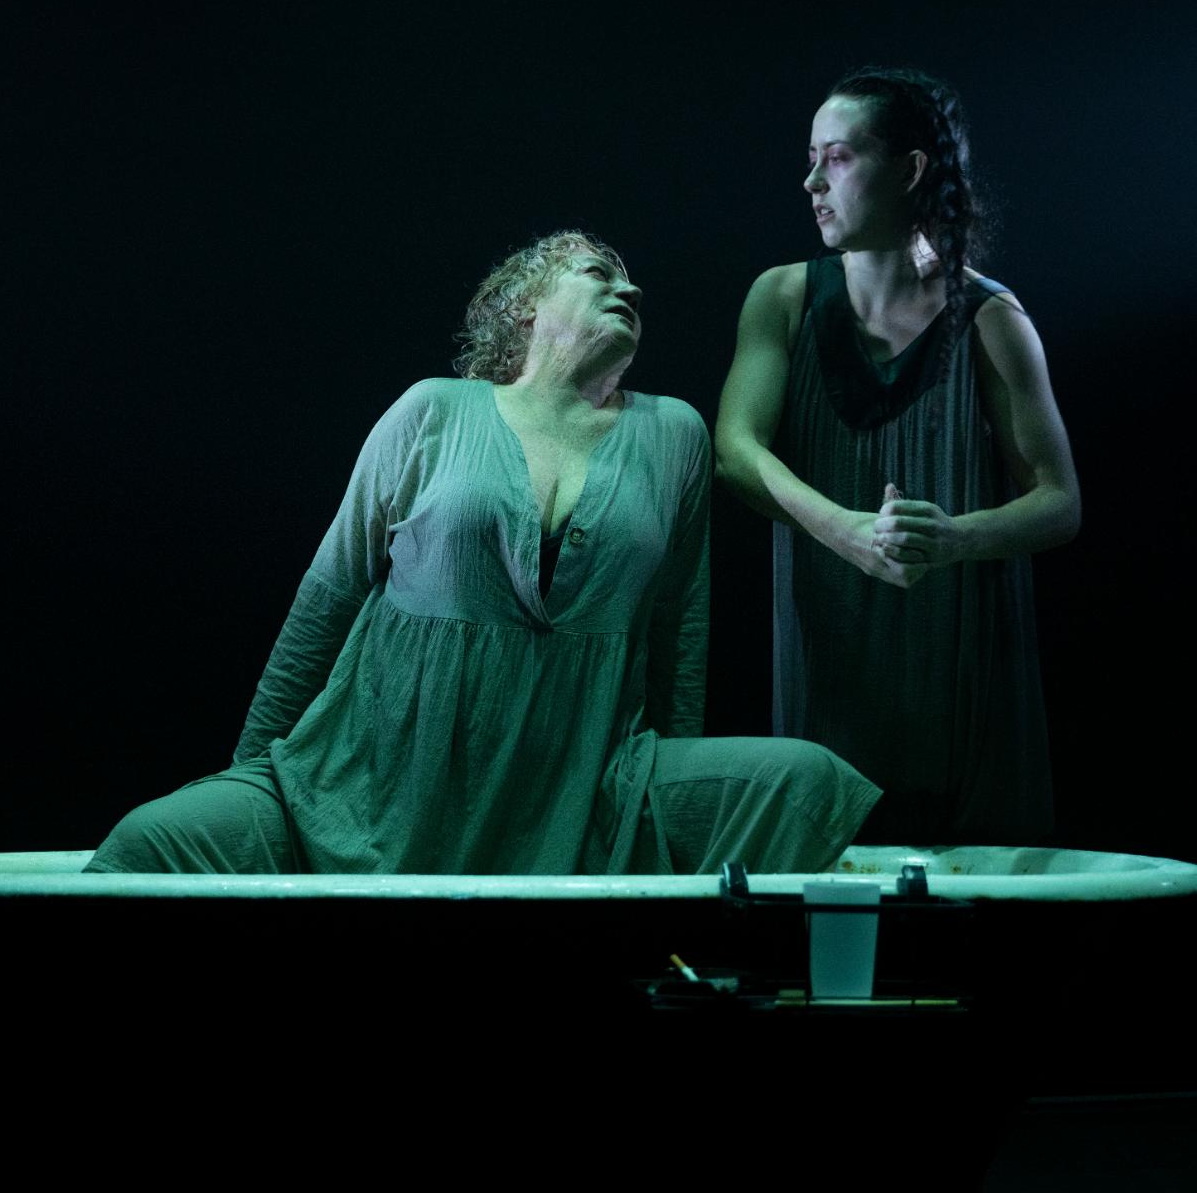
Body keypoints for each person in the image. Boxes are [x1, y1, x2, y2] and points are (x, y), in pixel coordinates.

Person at [88, 231, 878, 874]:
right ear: (528, 307)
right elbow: (326, 601)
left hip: (582, 778)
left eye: (632, 283)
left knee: (803, 784)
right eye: (599, 275)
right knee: (152, 842)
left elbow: (680, 628)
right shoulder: (432, 410)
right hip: (374, 777)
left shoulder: (673, 433)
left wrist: (653, 805)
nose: (630, 290)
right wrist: (252, 769)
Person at [714, 68, 1080, 845]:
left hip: (959, 681)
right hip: (830, 670)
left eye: (838, 157)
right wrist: (844, 529)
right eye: (811, 159)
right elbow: (736, 452)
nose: (812, 182)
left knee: (967, 889)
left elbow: (1059, 501)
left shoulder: (990, 317)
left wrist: (955, 537)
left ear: (910, 169)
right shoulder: (782, 298)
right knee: (827, 872)